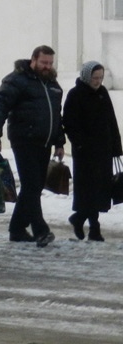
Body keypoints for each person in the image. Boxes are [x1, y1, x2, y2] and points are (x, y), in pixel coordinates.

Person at [0, 45, 66, 246]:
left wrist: (59, 142)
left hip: (45, 142)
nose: (47, 66)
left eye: (50, 63)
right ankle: (41, 230)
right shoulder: (16, 80)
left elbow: (56, 115)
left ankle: (17, 229)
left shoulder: (52, 84)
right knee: (31, 185)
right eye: (43, 62)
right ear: (33, 60)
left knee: (35, 186)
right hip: (24, 140)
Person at [62, 61, 123, 241]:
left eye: (100, 78)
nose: (98, 81)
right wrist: (80, 144)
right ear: (86, 77)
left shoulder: (102, 93)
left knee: (101, 189)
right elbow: (69, 123)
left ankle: (79, 218)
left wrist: (116, 147)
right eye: (95, 78)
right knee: (89, 189)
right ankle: (94, 229)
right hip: (85, 153)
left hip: (103, 150)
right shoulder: (75, 95)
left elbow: (111, 121)